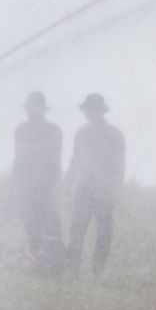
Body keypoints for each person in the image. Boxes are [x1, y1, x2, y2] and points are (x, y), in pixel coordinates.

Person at [65, 93, 125, 276]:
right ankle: (73, 266)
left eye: (93, 110)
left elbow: (119, 164)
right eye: (87, 110)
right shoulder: (81, 133)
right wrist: (67, 183)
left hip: (104, 187)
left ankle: (98, 268)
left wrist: (116, 187)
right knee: (77, 227)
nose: (89, 114)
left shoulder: (114, 134)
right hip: (84, 185)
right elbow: (75, 160)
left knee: (104, 230)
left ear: (101, 111)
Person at [12, 91, 63, 269]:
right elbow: (18, 158)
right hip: (26, 186)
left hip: (46, 185)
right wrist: (15, 183)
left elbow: (55, 159)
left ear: (42, 110)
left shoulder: (53, 130)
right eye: (28, 108)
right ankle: (38, 260)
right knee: (30, 224)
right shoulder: (21, 130)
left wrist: (52, 184)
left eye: (33, 107)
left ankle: (56, 261)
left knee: (51, 224)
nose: (29, 111)